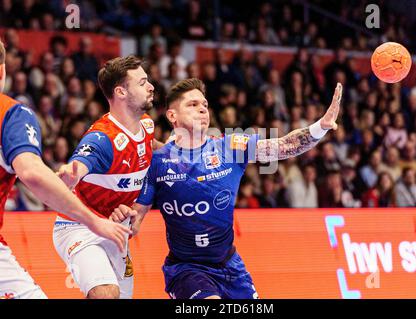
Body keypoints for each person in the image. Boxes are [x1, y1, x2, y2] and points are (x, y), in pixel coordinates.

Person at [110, 78, 342, 299]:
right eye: (192, 104)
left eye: (205, 105)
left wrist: (319, 127)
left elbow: (283, 147)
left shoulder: (230, 146)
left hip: (230, 265)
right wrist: (125, 219)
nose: (202, 109)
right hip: (186, 270)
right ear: (173, 115)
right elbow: (136, 218)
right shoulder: (158, 162)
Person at [0, 41, 131, 299]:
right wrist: (93, 221)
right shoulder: (10, 113)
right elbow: (33, 174)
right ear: (2, 71)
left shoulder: (144, 131)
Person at [53, 56, 160, 299]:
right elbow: (77, 167)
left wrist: (188, 150)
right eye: (143, 82)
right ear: (121, 92)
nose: (151, 86)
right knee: (106, 293)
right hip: (79, 227)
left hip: (116, 230)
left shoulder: (146, 125)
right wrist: (70, 175)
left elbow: (154, 150)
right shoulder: (101, 139)